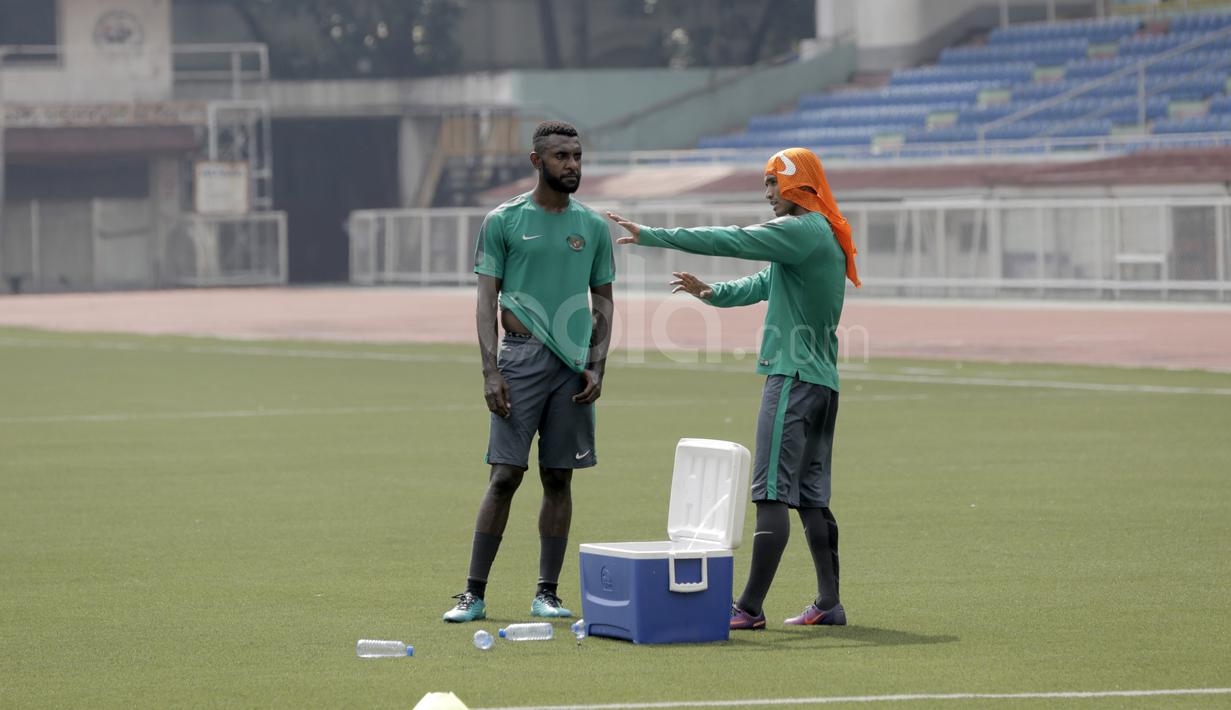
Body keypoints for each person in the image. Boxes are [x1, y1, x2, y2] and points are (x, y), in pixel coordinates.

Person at [606, 146, 859, 629]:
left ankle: (749, 608)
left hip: (792, 379)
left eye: (773, 182)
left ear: (798, 184)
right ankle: (829, 603)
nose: (767, 193)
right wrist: (711, 293)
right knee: (811, 497)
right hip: (823, 385)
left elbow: (735, 240)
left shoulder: (801, 230)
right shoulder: (823, 233)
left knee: (770, 492)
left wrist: (654, 235)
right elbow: (764, 283)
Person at [442, 120, 615, 623]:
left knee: (559, 477)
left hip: (572, 367)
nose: (572, 165)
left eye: (577, 156)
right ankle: (472, 594)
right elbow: (485, 301)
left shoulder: (593, 226)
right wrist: (490, 371)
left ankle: (547, 594)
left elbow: (603, 301)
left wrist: (597, 366)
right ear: (537, 161)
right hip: (519, 360)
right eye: (562, 156)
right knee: (504, 475)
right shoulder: (503, 220)